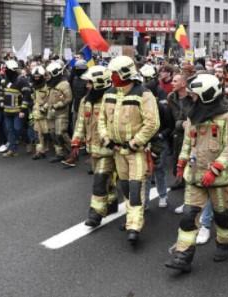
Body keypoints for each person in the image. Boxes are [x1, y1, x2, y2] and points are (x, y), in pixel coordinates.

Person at [165, 74, 228, 273]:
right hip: (195, 175)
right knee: (189, 215)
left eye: (195, 95)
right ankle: (183, 256)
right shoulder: (193, 114)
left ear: (207, 95)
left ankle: (224, 243)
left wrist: (215, 169)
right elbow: (189, 142)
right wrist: (181, 161)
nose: (192, 99)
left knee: (222, 216)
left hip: (220, 179)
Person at [98, 56, 160, 244]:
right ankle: (129, 219)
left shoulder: (143, 94)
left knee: (135, 187)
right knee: (124, 185)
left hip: (136, 151)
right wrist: (106, 138)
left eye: (115, 73)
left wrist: (135, 142)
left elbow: (152, 123)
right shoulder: (109, 93)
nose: (112, 76)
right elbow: (101, 119)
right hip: (117, 150)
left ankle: (134, 225)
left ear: (125, 73)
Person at [67, 65, 119, 227]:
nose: (87, 86)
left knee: (99, 179)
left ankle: (96, 213)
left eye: (90, 83)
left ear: (100, 83)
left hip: (108, 149)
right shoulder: (86, 101)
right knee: (105, 177)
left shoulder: (113, 100)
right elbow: (81, 122)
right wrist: (76, 141)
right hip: (93, 148)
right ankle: (112, 202)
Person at [140, 64, 173, 208]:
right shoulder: (139, 106)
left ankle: (163, 196)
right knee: (145, 172)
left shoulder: (161, 107)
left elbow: (169, 126)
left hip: (159, 141)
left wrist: (160, 135)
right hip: (145, 141)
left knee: (159, 170)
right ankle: (145, 201)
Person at [167, 73, 195, 214]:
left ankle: (190, 200)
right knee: (178, 159)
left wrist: (187, 125)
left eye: (175, 81)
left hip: (191, 134)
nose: (172, 83)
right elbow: (172, 117)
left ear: (184, 84)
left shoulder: (193, 97)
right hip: (177, 133)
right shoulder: (171, 97)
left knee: (190, 162)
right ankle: (180, 180)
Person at [0, 60, 32, 157]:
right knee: (9, 130)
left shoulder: (22, 81)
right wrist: (1, 102)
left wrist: (23, 110)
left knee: (18, 129)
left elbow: (26, 96)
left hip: (18, 111)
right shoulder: (4, 81)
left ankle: (28, 141)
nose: (5, 71)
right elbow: (0, 93)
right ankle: (12, 149)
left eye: (7, 69)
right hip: (7, 111)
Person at [45, 61, 73, 163]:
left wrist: (56, 106)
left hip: (61, 113)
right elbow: (49, 98)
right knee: (53, 134)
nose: (47, 76)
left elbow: (68, 98)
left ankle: (73, 153)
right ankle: (59, 153)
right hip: (51, 113)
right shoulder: (51, 84)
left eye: (49, 74)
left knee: (61, 133)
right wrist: (46, 106)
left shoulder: (64, 84)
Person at [31, 66, 50, 160]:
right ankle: (39, 151)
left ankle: (47, 148)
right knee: (37, 134)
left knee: (47, 133)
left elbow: (50, 100)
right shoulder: (33, 86)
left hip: (46, 114)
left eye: (38, 76)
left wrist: (44, 108)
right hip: (36, 114)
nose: (36, 78)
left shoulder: (47, 87)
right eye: (35, 76)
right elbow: (33, 99)